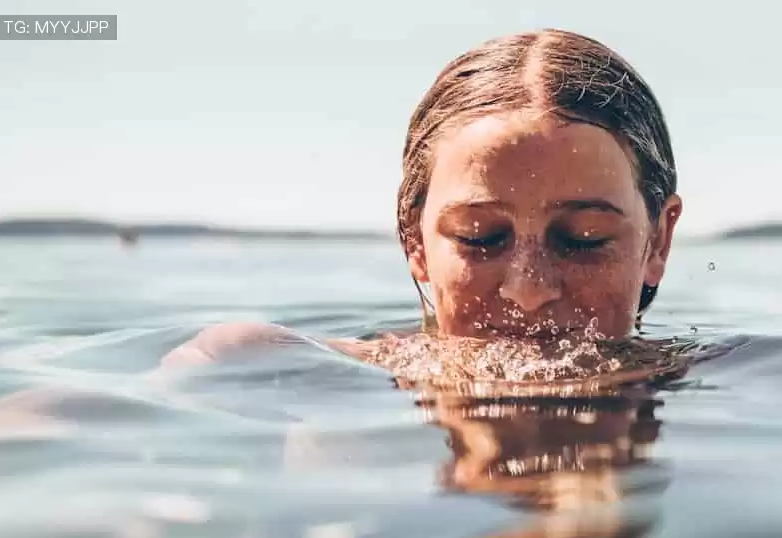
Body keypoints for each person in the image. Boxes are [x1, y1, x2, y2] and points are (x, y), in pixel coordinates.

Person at [161, 28, 684, 376]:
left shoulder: (736, 384)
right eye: (480, 237)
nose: (529, 289)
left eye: (582, 239)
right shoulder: (267, 366)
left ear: (657, 241)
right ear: (414, 241)